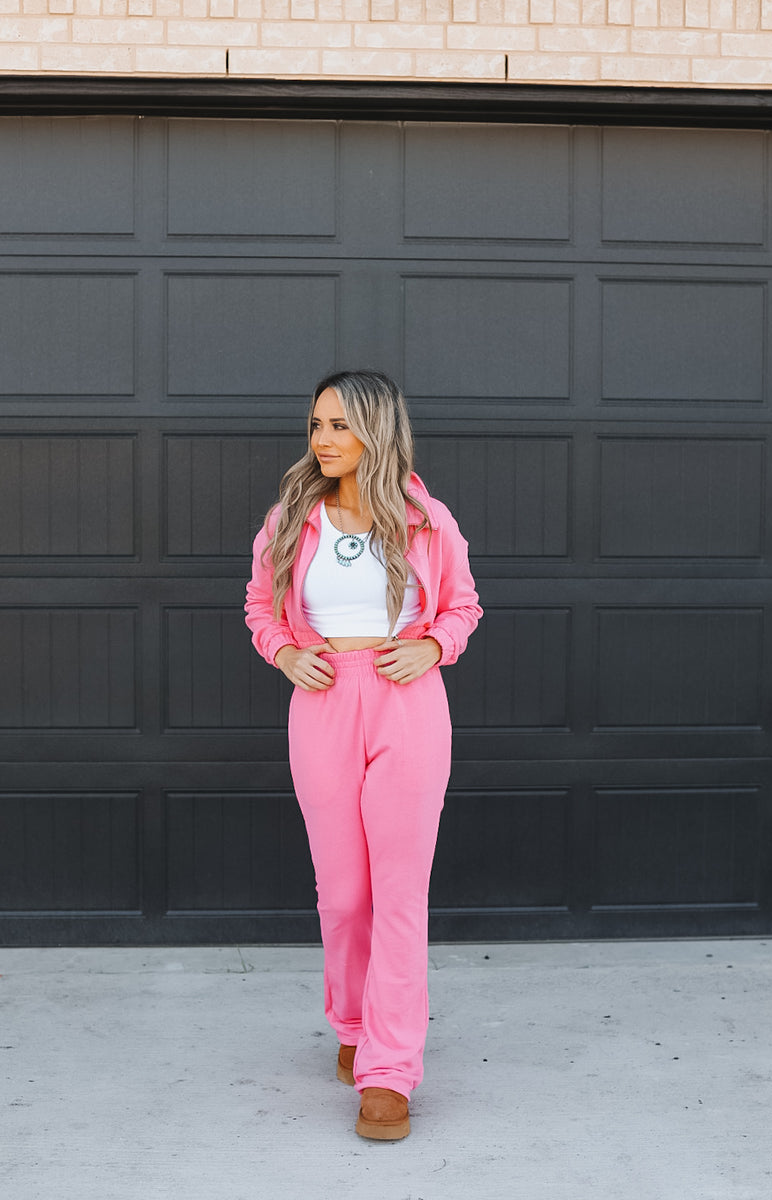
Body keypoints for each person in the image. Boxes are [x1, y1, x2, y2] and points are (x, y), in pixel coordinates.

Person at [244, 369, 482, 1140]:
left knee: (400, 895)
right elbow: (259, 605)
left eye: (340, 425)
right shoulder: (291, 516)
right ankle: (353, 1023)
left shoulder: (427, 520)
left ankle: (390, 1070)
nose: (323, 439)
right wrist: (285, 653)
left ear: (377, 431)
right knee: (344, 895)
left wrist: (434, 647)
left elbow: (463, 605)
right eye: (317, 424)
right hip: (322, 705)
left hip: (406, 703)